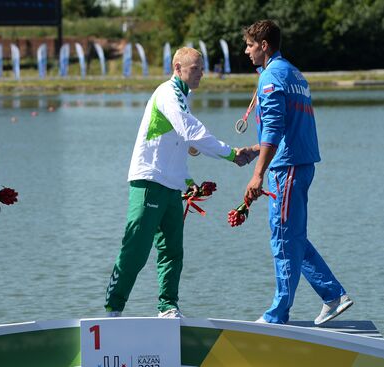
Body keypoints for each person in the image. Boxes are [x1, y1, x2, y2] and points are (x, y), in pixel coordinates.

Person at [104, 47, 250, 318]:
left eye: (202, 68)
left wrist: (188, 181)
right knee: (135, 249)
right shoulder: (168, 93)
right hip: (148, 181)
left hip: (171, 185)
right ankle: (113, 308)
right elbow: (190, 130)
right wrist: (231, 154)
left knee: (172, 251)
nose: (201, 74)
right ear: (177, 68)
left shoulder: (183, 97)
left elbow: (177, 144)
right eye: (195, 68)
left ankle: (167, 307)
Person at [241, 20, 353, 325]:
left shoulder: (272, 78)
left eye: (250, 45)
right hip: (300, 164)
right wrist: (255, 151)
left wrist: (257, 174)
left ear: (264, 45)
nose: (246, 51)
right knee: (292, 235)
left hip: (286, 168)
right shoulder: (294, 73)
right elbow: (287, 126)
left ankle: (277, 315)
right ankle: (333, 295)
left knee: (282, 238)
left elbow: (276, 128)